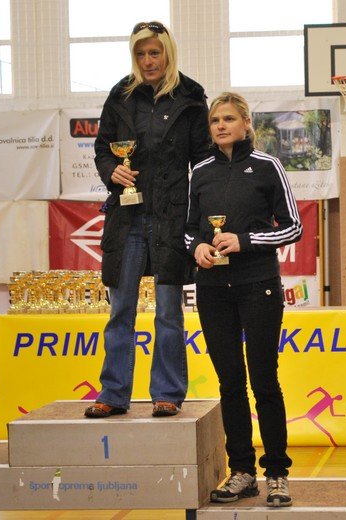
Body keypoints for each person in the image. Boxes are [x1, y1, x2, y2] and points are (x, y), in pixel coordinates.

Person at [85, 21, 211, 419]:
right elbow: (103, 149)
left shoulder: (192, 97)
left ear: (167, 53)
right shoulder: (120, 94)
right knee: (120, 310)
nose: (147, 61)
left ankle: (168, 393)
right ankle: (113, 393)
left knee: (169, 314)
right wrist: (112, 171)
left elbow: (202, 161)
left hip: (172, 218)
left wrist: (199, 216)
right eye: (140, 54)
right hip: (127, 218)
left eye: (154, 53)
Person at [185, 92, 302, 507]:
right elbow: (188, 229)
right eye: (215, 120)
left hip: (259, 286)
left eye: (229, 119)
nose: (220, 125)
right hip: (213, 290)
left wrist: (245, 240)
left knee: (264, 381)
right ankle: (242, 472)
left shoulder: (268, 166)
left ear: (246, 123)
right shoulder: (200, 172)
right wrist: (197, 247)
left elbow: (293, 227)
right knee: (230, 383)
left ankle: (277, 473)